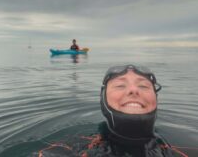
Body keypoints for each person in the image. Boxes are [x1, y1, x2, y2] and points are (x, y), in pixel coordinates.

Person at [35, 65, 188, 157]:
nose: (134, 90)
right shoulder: (64, 151)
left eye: (144, 86)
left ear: (156, 99)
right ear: (103, 99)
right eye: (120, 86)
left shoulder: (188, 149)